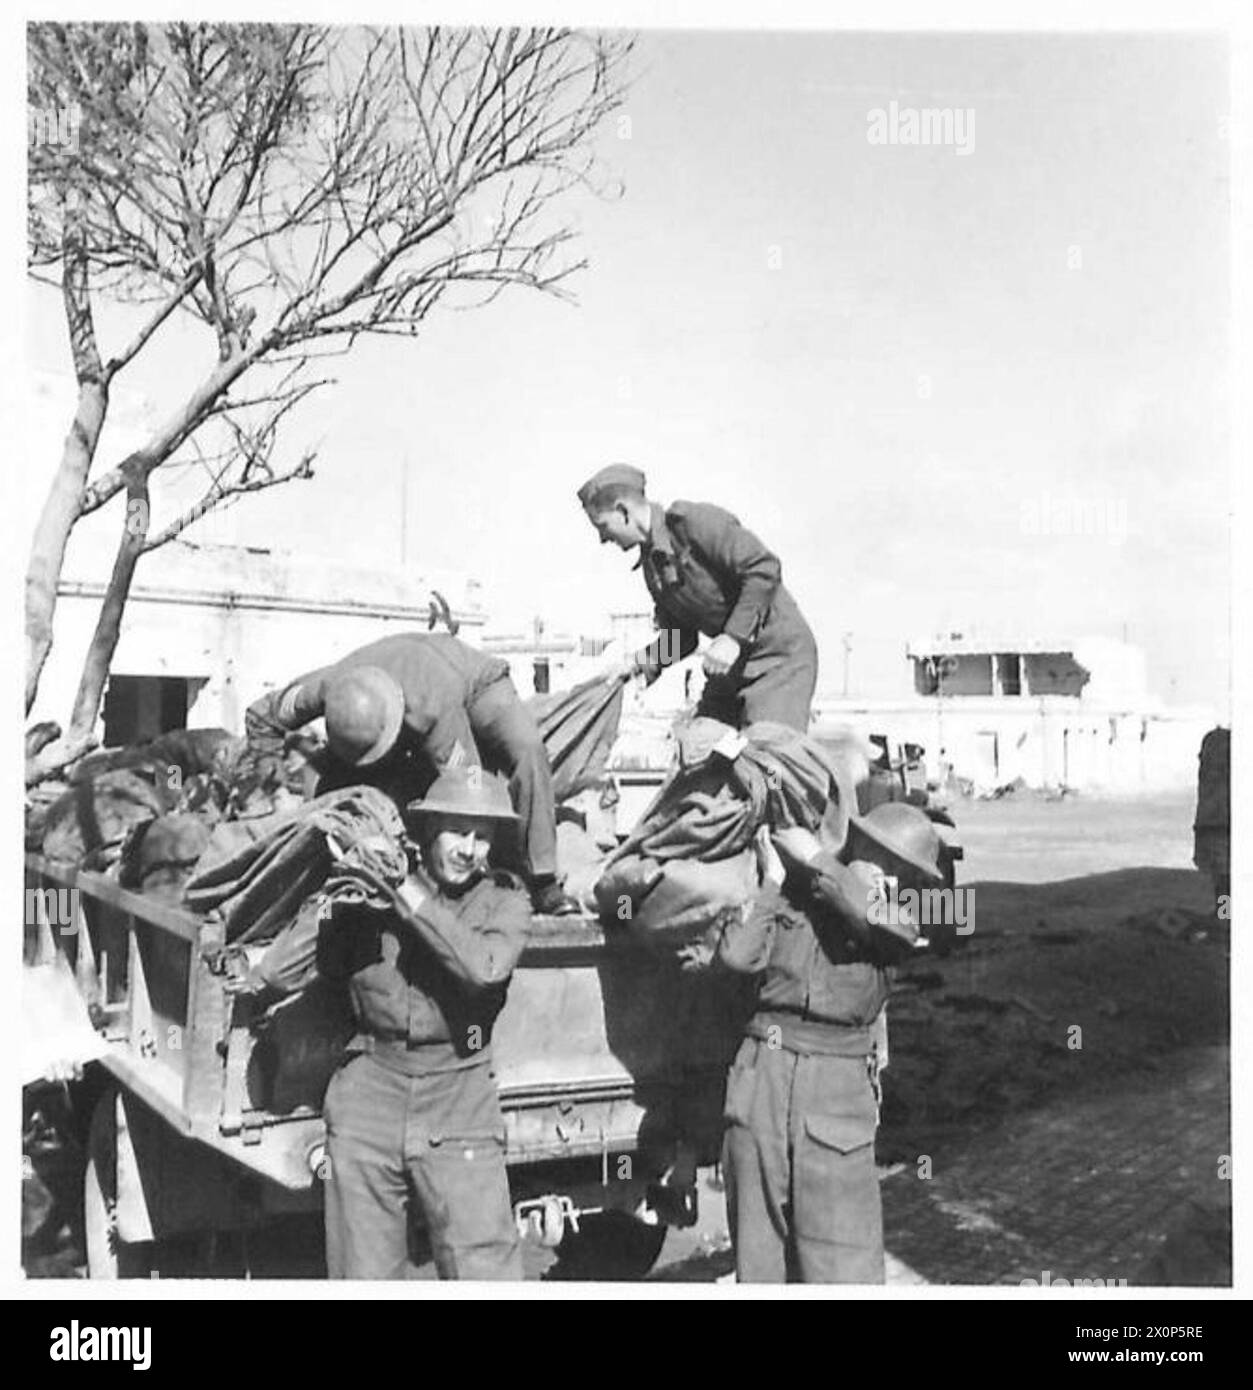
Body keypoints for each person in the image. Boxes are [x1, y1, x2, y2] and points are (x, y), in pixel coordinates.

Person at [713, 799, 945, 1283]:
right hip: (761, 1081)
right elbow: (736, 958)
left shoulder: (895, 922)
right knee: (759, 1261)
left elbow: (893, 928)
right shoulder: (791, 896)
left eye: (903, 873)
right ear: (858, 844)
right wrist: (773, 881)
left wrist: (818, 859)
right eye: (884, 861)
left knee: (844, 1265)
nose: (891, 878)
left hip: (835, 1093)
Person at [318, 765, 529, 1280]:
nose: (469, 849)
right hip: (371, 1093)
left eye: (482, 836)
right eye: (457, 831)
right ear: (430, 830)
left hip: (459, 1097)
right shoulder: (372, 890)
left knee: (484, 1271)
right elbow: (302, 967)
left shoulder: (506, 899)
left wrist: (406, 892)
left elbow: (483, 969)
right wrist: (343, 883)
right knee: (362, 1275)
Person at [245, 632, 578, 915]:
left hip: (476, 683)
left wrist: (471, 864)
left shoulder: (433, 710)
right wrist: (272, 779)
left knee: (527, 750)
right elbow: (261, 717)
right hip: (404, 682)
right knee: (324, 784)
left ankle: (541, 878)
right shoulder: (323, 688)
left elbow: (469, 784)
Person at [576, 464, 819, 732]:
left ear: (623, 511)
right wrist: (636, 664)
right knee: (699, 747)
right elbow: (683, 638)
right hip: (729, 669)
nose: (602, 538)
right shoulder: (653, 566)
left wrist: (733, 637)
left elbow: (763, 568)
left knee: (770, 752)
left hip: (778, 659)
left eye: (602, 526)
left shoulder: (694, 523)